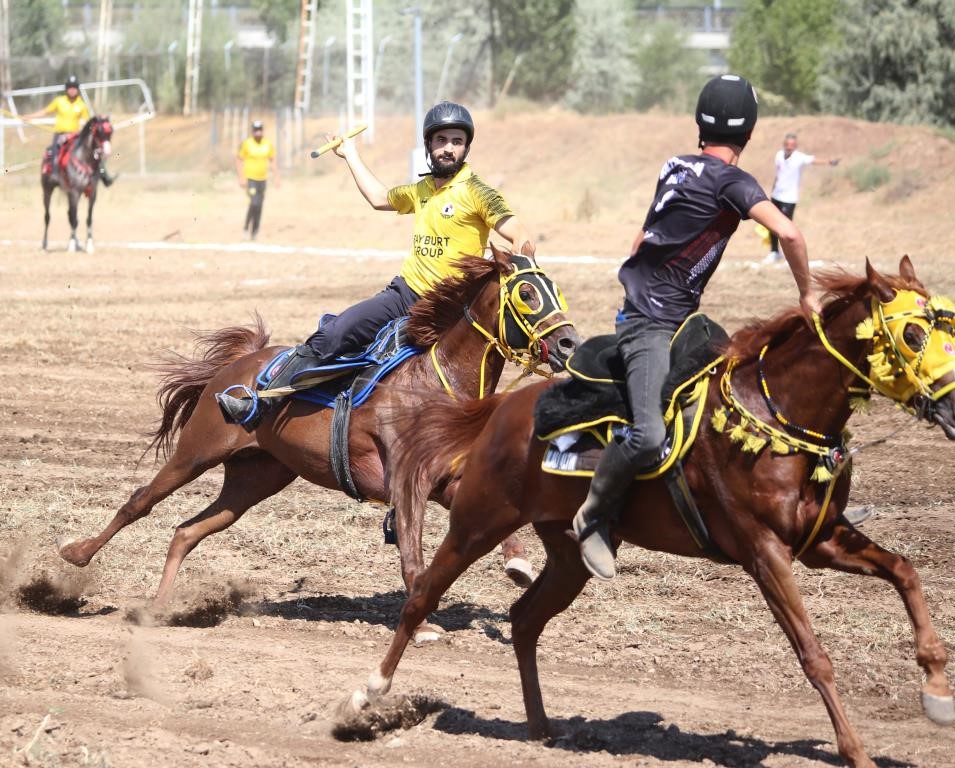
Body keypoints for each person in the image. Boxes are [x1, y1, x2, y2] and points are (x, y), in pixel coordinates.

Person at [571, 75, 823, 581]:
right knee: (646, 436)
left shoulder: (675, 166)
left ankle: (813, 506)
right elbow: (790, 233)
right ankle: (593, 516)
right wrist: (807, 294)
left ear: (699, 124)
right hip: (649, 325)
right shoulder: (735, 183)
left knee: (746, 403)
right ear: (750, 132)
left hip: (683, 320)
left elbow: (642, 237)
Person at [217, 100, 534, 426]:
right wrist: (351, 154)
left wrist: (517, 270)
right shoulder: (423, 189)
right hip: (405, 295)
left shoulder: (477, 192)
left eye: (456, 141)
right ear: (429, 144)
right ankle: (262, 403)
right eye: (441, 140)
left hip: (450, 309)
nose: (448, 149)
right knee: (335, 333)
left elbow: (519, 233)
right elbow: (379, 198)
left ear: (466, 147)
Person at [763, 132, 839, 265]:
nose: (789, 147)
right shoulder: (779, 155)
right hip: (776, 195)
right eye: (787, 144)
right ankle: (774, 252)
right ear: (784, 145)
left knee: (786, 228)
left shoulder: (799, 157)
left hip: (789, 198)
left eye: (792, 145)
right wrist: (772, 191)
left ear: (795, 146)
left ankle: (789, 255)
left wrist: (829, 162)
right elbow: (778, 174)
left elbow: (814, 160)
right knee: (772, 225)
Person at [25, 75, 114, 187]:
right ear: (66, 89)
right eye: (70, 87)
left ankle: (103, 174)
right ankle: (54, 175)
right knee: (54, 152)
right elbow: (45, 112)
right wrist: (29, 117)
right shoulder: (59, 101)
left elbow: (88, 122)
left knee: (94, 152)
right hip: (60, 134)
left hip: (75, 136)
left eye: (75, 87)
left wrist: (99, 119)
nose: (72, 90)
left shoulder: (81, 104)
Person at [237, 120, 280, 240]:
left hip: (263, 180)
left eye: (260, 129)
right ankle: (246, 228)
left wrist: (277, 177)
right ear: (252, 131)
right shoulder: (247, 144)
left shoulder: (267, 144)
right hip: (250, 179)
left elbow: (272, 160)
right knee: (254, 203)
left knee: (260, 206)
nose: (258, 132)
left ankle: (255, 231)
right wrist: (241, 177)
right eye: (256, 130)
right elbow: (239, 159)